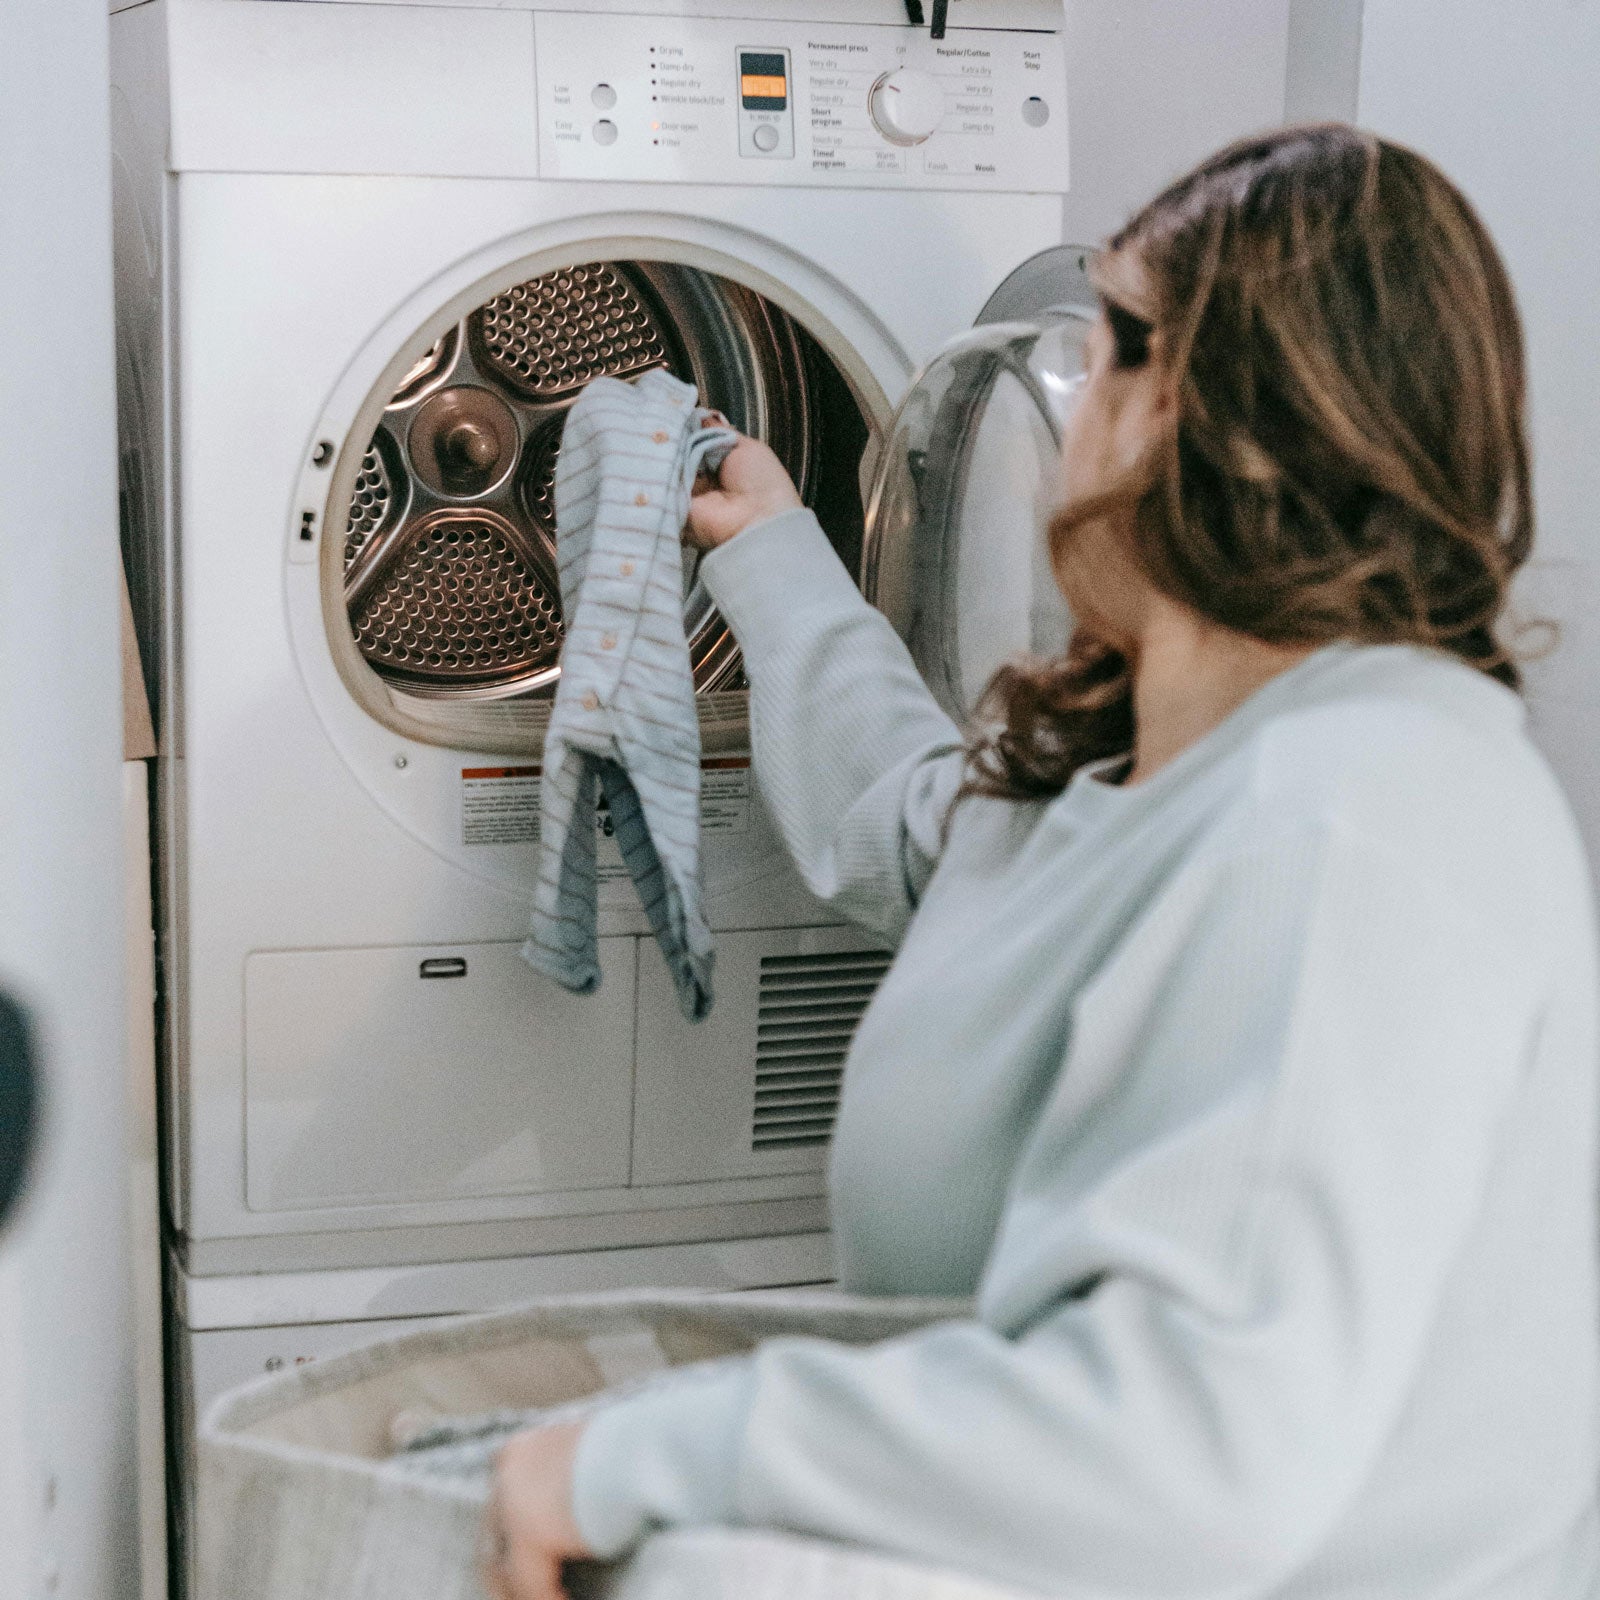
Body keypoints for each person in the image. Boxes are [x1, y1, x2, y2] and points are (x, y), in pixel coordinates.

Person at [484, 124, 1600, 1600]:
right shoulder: (1141, 760)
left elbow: (1194, 1456)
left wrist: (641, 1457)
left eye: (1103, 342)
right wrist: (769, 548)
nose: (1062, 409)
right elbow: (917, 823)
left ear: (1191, 408)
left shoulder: (1357, 815)